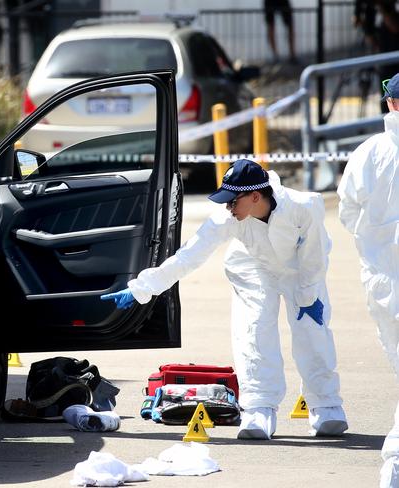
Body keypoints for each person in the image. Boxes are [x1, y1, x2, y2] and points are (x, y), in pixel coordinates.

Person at [102, 159, 348, 440]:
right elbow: (189, 256)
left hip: (301, 269)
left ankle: (326, 404)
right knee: (253, 330)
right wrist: (141, 288)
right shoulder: (227, 217)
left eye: (233, 200)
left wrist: (307, 296)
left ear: (256, 196)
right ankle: (259, 407)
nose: (228, 206)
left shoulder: (305, 207)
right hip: (253, 266)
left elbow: (314, 258)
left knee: (313, 333)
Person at [337, 72, 399, 486]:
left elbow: (347, 212)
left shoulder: (368, 152)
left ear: (389, 104)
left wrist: (378, 244)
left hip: (384, 283)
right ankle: (394, 460)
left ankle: (394, 462)